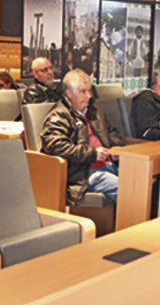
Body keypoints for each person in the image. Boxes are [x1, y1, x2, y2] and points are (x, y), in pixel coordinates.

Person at [41, 69, 125, 205]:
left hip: (110, 165)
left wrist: (115, 148)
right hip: (83, 175)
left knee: (147, 182)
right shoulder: (58, 115)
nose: (89, 96)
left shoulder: (94, 110)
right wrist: (92, 154)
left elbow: (113, 131)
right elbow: (56, 146)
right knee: (131, 189)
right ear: (69, 94)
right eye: (83, 92)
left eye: (89, 91)